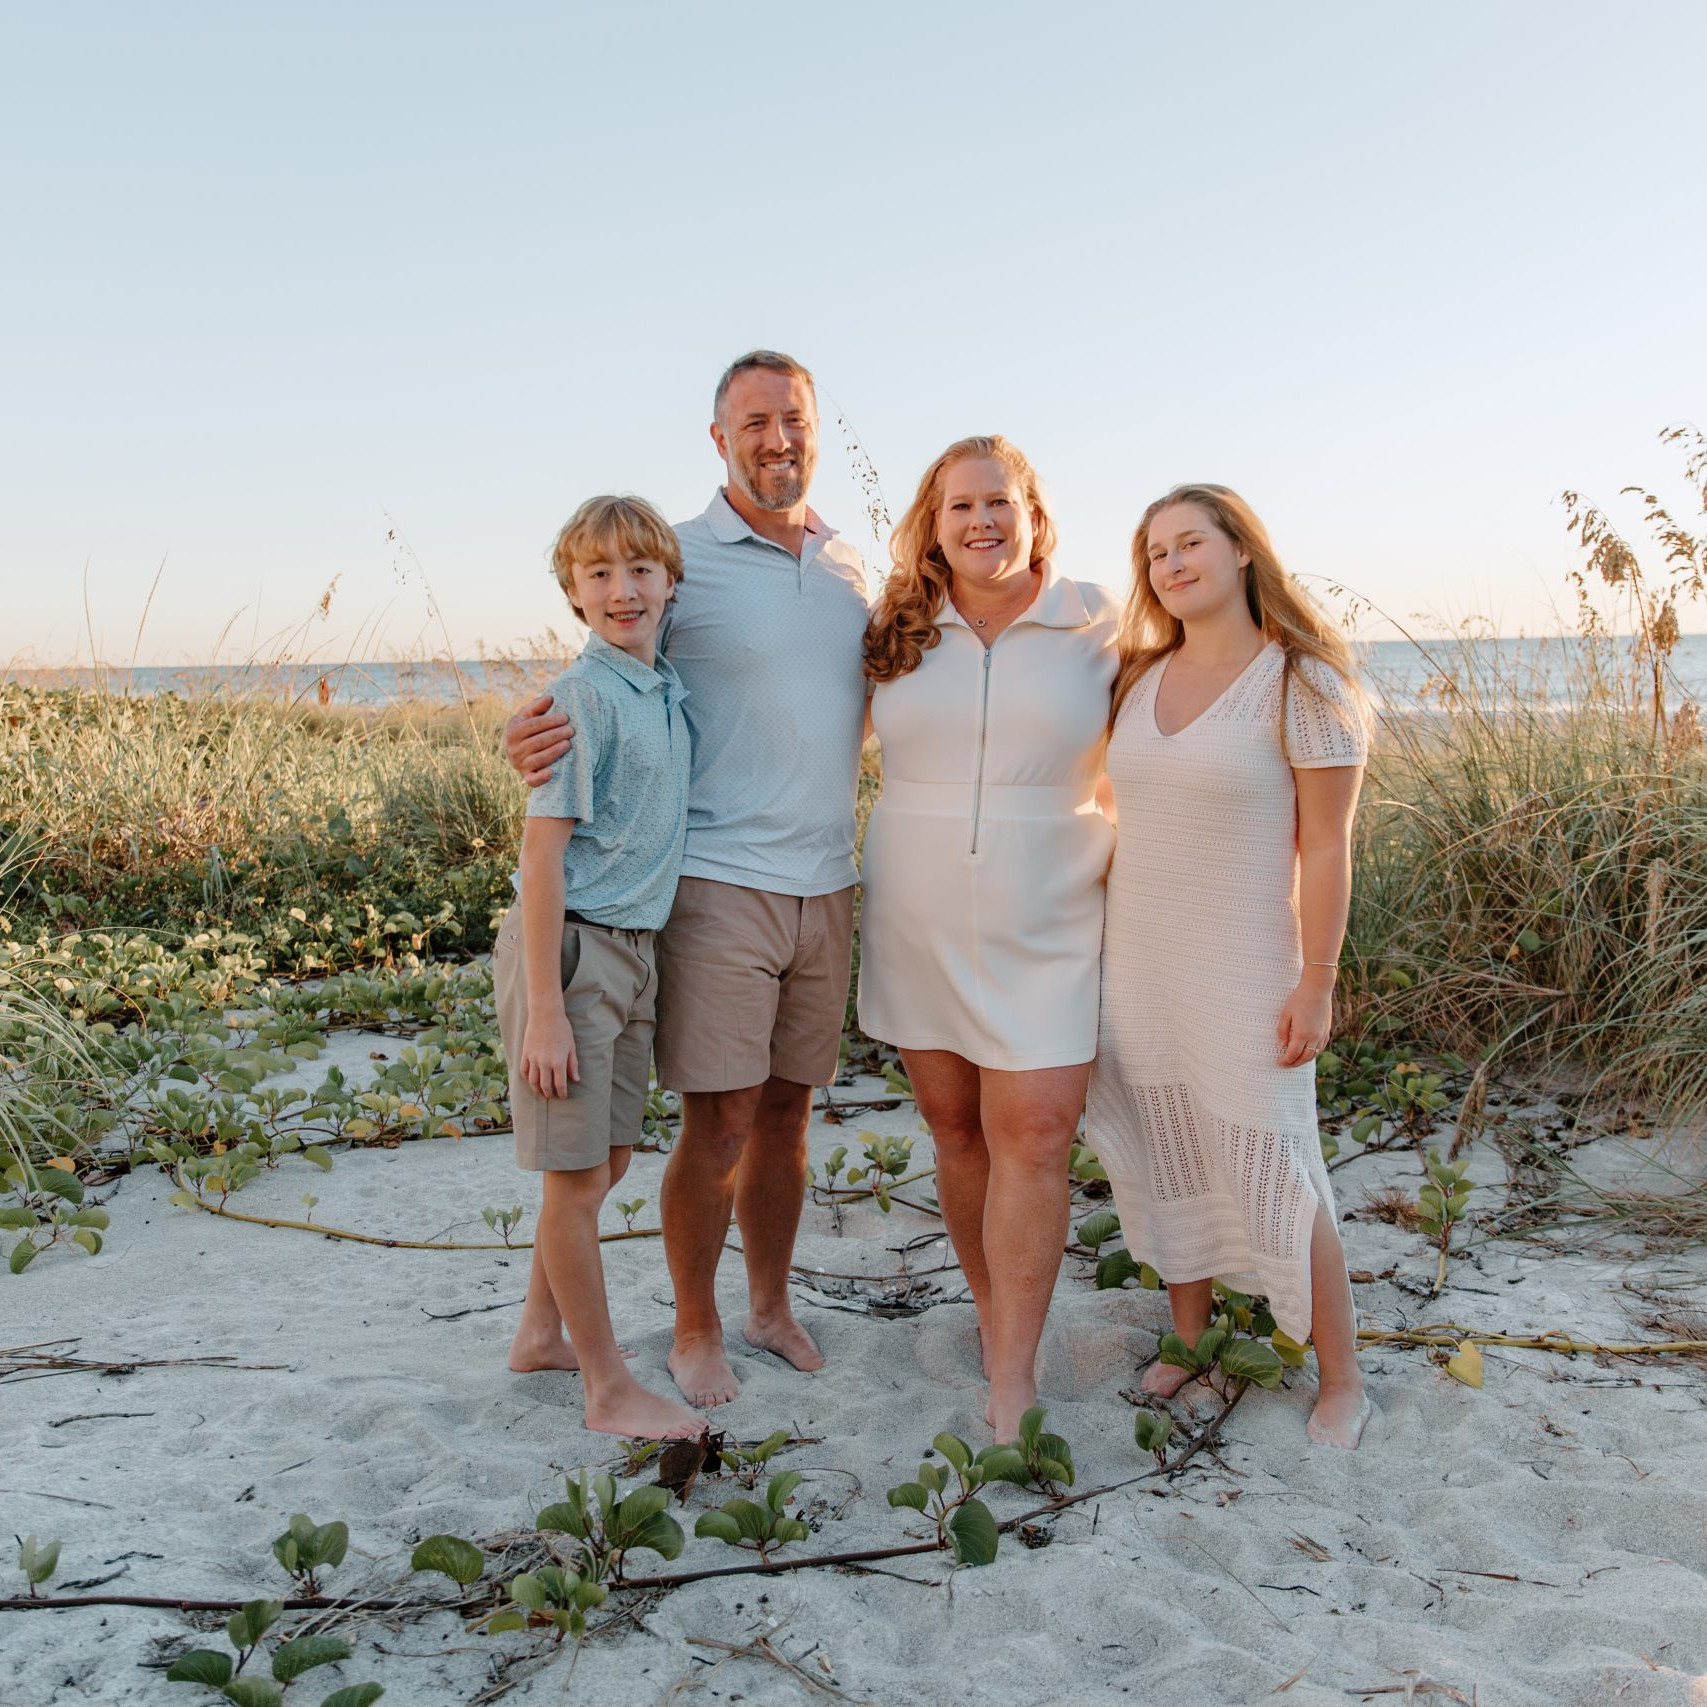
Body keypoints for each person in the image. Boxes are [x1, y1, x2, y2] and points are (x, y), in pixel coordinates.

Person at [504, 352, 871, 1409]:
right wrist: (525, 731)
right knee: (718, 1122)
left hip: (827, 881)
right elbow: (593, 675)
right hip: (715, 882)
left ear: (816, 429)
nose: (776, 439)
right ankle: (696, 1327)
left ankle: (768, 1306)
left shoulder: (850, 566)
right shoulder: (683, 557)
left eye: (792, 419)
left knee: (791, 1117)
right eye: (753, 422)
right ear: (721, 440)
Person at [1085, 483, 1373, 1449]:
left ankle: (1342, 1379)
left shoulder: (1304, 684)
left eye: (1189, 543)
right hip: (1140, 958)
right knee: (1170, 1145)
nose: (1170, 564)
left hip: (1246, 963)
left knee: (1278, 1160)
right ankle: (1190, 1333)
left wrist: (1318, 979)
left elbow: (1327, 848)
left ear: (1241, 549)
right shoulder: (1136, 678)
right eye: (1155, 552)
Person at [859, 435, 1118, 1442]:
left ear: (1033, 511)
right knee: (956, 1128)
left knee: (1037, 1136)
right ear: (934, 522)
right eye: (959, 506)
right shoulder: (896, 625)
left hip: (1051, 912)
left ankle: (1014, 1375)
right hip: (915, 913)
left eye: (998, 502)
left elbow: (1186, 714)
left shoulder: (1099, 620)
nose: (981, 523)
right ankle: (990, 1311)